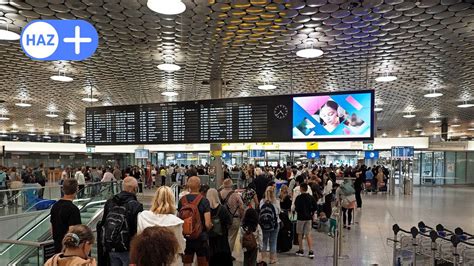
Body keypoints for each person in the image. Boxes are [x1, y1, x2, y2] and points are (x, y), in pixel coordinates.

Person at [137, 186, 185, 266]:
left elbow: (139, 239)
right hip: (170, 261)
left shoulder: (143, 217)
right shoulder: (175, 222)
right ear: (172, 200)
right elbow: (180, 247)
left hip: (148, 259)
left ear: (155, 199)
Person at [101, 176, 143, 265]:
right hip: (127, 248)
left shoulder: (110, 202)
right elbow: (136, 229)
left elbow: (104, 222)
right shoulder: (136, 206)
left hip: (111, 245)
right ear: (133, 189)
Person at [178, 176, 212, 266]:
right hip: (201, 237)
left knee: (187, 262)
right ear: (199, 186)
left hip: (186, 237)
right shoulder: (204, 201)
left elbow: (179, 219)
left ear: (188, 185)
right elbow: (207, 224)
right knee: (202, 262)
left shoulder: (182, 200)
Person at [50, 179, 82, 253]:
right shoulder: (73, 209)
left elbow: (52, 230)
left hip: (57, 247)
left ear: (63, 189)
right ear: (76, 190)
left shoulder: (55, 206)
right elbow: (73, 232)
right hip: (68, 250)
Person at [207, 188, 233, 266]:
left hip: (211, 239)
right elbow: (229, 222)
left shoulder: (206, 210)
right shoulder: (223, 209)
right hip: (222, 239)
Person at [219, 179, 245, 253]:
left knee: (223, 237)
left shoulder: (219, 193)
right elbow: (241, 207)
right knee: (231, 237)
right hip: (234, 218)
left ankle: (222, 252)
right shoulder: (235, 195)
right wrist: (242, 217)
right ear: (231, 185)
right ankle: (228, 254)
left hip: (221, 219)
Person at [294, 183, 317, 258]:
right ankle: (310, 251)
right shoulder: (311, 197)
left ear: (301, 188)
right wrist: (311, 212)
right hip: (308, 218)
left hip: (300, 218)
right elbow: (315, 207)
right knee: (308, 234)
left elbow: (296, 208)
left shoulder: (298, 198)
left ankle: (301, 250)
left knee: (300, 234)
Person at [259, 186, 280, 264]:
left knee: (264, 241)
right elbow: (279, 212)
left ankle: (263, 259)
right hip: (275, 224)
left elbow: (260, 211)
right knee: (273, 241)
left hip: (264, 225)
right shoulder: (276, 202)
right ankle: (272, 259)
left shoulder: (262, 201)